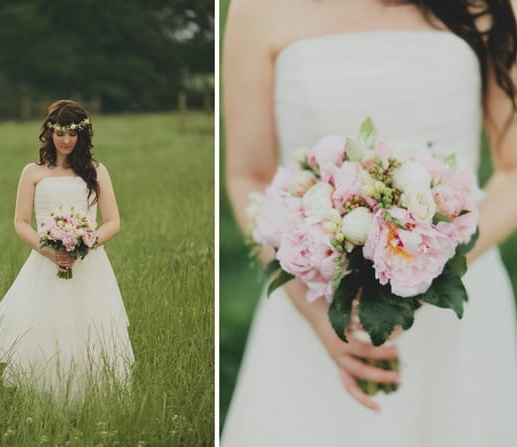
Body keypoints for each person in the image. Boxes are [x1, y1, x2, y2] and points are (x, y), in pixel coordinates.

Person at [221, 0, 517, 445]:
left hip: (459, 308)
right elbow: (251, 176)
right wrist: (317, 312)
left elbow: (514, 168)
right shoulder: (255, 10)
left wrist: (431, 259)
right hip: (317, 299)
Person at [0, 99, 134, 404]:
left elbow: (113, 221)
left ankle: (90, 399)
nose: (66, 140)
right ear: (49, 133)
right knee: (46, 328)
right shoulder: (32, 172)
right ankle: (45, 400)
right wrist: (49, 251)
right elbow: (20, 222)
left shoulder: (95, 171)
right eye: (60, 133)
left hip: (89, 265)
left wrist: (84, 245)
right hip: (45, 264)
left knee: (88, 329)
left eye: (72, 134)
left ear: (82, 135)